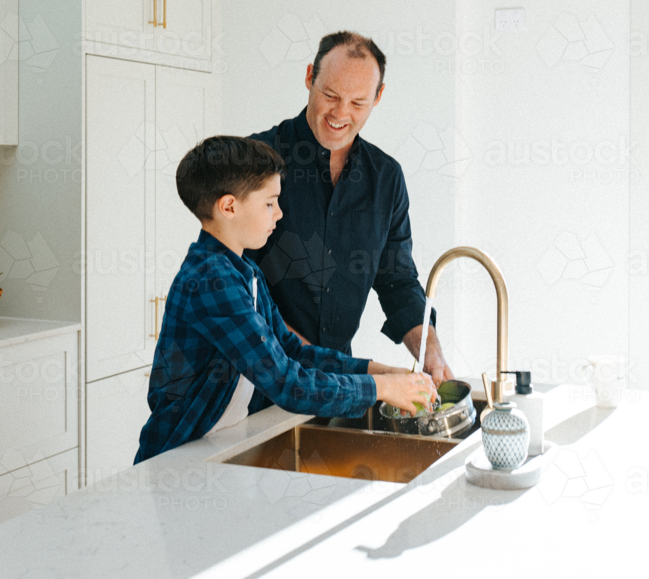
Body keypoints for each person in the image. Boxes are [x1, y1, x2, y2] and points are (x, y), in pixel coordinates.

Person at [134, 136, 436, 464]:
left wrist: (381, 371)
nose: (279, 214)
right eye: (269, 203)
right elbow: (285, 383)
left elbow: (293, 352)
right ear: (229, 207)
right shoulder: (212, 280)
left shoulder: (244, 272)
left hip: (215, 445)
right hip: (175, 461)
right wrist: (381, 389)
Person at [248, 31, 454, 385]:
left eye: (358, 103)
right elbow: (238, 287)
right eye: (330, 95)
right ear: (310, 76)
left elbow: (398, 282)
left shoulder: (385, 178)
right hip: (258, 381)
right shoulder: (256, 161)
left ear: (378, 97)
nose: (341, 113)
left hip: (335, 386)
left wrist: (431, 355)